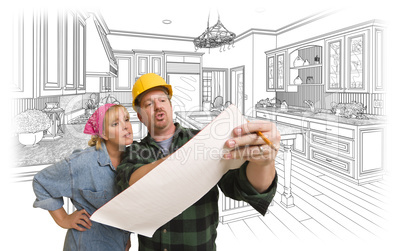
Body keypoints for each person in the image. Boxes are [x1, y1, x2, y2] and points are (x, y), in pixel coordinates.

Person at [115, 73, 281, 250]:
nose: (157, 107)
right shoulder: (135, 151)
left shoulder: (204, 140)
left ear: (170, 106)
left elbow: (242, 187)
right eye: (149, 104)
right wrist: (186, 159)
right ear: (140, 116)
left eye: (162, 100)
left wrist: (264, 163)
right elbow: (129, 184)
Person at [33, 104, 133, 251]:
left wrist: (126, 236)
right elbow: (41, 181)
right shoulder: (83, 162)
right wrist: (64, 219)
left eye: (127, 119)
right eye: (116, 123)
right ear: (103, 134)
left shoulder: (132, 162)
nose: (125, 126)